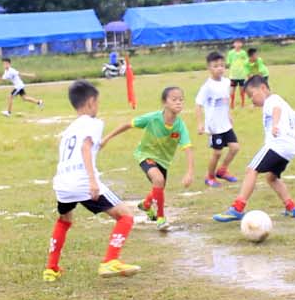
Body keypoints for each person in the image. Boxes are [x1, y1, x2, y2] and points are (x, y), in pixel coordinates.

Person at [46, 81, 142, 280]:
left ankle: (51, 268)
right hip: (82, 181)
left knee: (64, 220)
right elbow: (85, 148)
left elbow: (83, 147)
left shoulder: (70, 129)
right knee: (125, 216)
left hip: (62, 183)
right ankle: (110, 261)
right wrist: (92, 181)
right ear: (90, 102)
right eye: (97, 102)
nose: (98, 106)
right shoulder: (94, 123)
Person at [212, 75, 295, 222]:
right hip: (289, 148)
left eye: (251, 95)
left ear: (262, 88)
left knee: (251, 170)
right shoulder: (282, 102)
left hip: (277, 144)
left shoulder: (271, 101)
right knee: (271, 177)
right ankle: (291, 207)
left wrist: (275, 125)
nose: (251, 100)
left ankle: (237, 208)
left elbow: (276, 110)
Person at [102, 86, 194, 231]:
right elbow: (127, 125)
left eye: (181, 100)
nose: (179, 103)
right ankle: (161, 218)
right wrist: (106, 138)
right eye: (174, 99)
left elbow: (188, 148)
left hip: (163, 161)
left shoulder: (180, 125)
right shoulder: (152, 118)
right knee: (159, 180)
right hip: (145, 155)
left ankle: (145, 205)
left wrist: (189, 172)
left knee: (159, 187)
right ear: (164, 102)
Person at [195, 52, 241, 188]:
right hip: (214, 126)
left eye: (222, 65)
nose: (220, 68)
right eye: (216, 66)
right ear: (209, 68)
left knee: (235, 148)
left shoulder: (227, 82)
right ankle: (209, 177)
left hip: (225, 124)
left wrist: (229, 115)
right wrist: (200, 123)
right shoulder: (207, 86)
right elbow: (198, 104)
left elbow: (225, 101)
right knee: (217, 152)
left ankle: (222, 171)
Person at [226, 39, 251, 108]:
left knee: (242, 89)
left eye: (239, 43)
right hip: (233, 75)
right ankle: (232, 103)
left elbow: (247, 62)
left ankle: (243, 103)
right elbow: (228, 62)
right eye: (236, 43)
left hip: (242, 75)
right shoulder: (230, 53)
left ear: (241, 44)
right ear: (233, 44)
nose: (238, 44)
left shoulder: (243, 53)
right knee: (232, 89)